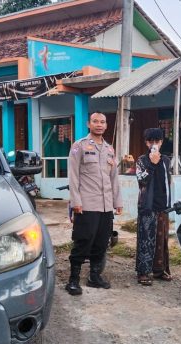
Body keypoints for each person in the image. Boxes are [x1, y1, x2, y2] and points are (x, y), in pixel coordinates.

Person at [65, 112, 123, 296]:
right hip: (87, 204)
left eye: (102, 122)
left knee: (101, 243)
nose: (99, 124)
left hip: (106, 206)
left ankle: (94, 276)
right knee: (83, 242)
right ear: (88, 124)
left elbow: (113, 177)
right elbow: (73, 176)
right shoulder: (79, 146)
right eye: (95, 121)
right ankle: (73, 280)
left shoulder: (109, 149)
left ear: (106, 125)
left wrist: (117, 202)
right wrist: (76, 202)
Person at [135, 128, 172, 286]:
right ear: (146, 143)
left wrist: (169, 203)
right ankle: (143, 272)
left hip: (162, 205)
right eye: (151, 141)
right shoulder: (142, 160)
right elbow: (142, 180)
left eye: (157, 141)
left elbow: (167, 182)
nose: (154, 144)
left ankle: (159, 269)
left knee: (161, 239)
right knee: (146, 239)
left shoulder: (167, 160)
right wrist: (152, 164)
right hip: (147, 206)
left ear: (162, 142)